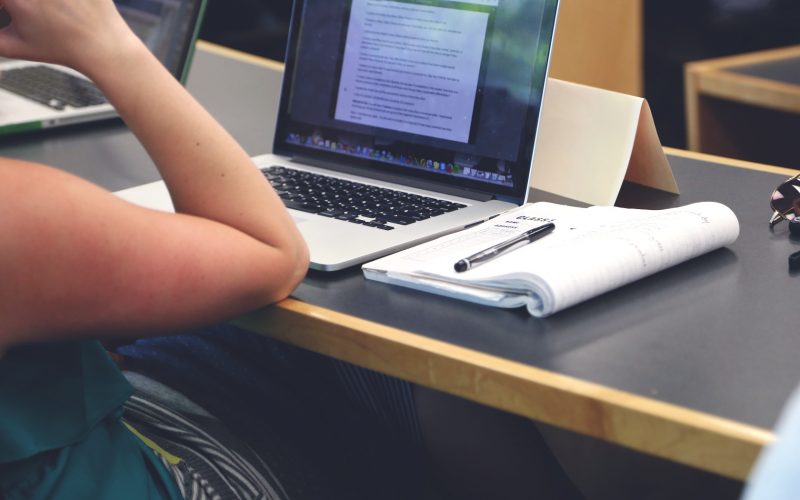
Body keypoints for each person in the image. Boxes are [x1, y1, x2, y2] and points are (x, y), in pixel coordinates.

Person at [0, 0, 311, 497]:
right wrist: (106, 41)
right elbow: (274, 254)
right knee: (355, 379)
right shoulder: (18, 216)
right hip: (121, 479)